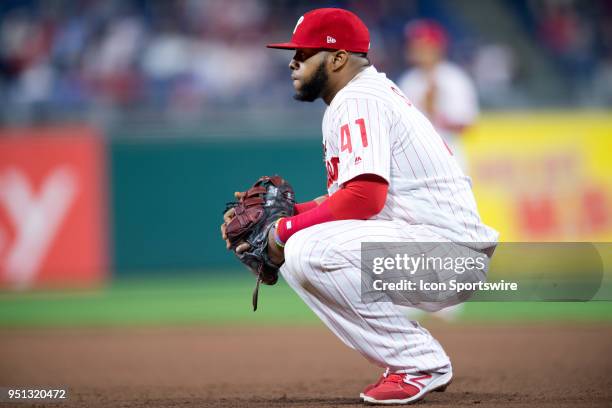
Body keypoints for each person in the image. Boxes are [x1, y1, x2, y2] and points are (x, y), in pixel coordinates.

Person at [223, 8, 498, 405]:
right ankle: (408, 360)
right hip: (430, 247)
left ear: (337, 58)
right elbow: (350, 196)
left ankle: (419, 362)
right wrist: (293, 215)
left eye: (304, 53)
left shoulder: (357, 99)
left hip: (445, 253)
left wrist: (283, 231)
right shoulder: (359, 96)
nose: (292, 61)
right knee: (301, 253)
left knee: (305, 249)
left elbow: (365, 198)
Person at [397, 20, 479, 172]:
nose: (416, 49)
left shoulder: (454, 78)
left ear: (437, 47)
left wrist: (434, 112)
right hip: (413, 160)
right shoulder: (408, 80)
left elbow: (466, 124)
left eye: (422, 45)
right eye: (414, 45)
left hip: (449, 156)